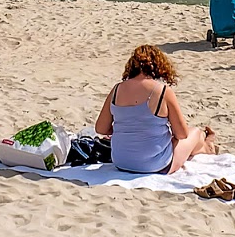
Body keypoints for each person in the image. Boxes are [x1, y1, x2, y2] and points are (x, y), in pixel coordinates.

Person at [93, 45, 217, 174]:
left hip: (121, 162)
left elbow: (100, 129)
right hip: (155, 165)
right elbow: (182, 134)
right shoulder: (162, 91)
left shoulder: (117, 89)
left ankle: (204, 145)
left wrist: (126, 129)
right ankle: (206, 146)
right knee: (195, 132)